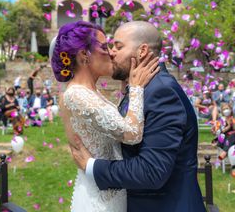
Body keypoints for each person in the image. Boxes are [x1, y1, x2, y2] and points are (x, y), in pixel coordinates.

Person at [68, 21, 205, 211]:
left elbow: (151, 171)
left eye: (118, 46)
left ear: (142, 51)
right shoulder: (143, 87)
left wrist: (92, 166)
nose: (111, 52)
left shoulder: (161, 92)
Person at [51, 21, 160, 211]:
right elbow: (132, 134)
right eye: (104, 47)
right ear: (85, 55)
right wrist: (136, 88)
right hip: (100, 199)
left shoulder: (90, 92)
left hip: (111, 187)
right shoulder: (76, 94)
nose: (110, 52)